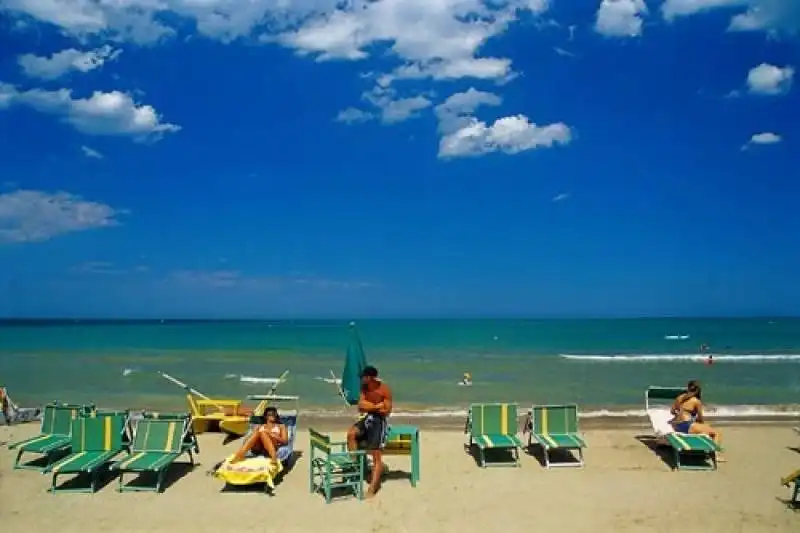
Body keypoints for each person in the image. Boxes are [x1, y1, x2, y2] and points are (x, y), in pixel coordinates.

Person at [347, 366, 392, 499]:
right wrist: (377, 406)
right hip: (367, 418)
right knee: (351, 434)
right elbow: (360, 406)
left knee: (376, 454)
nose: (362, 379)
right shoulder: (364, 389)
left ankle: (373, 488)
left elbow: (387, 410)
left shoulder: (384, 389)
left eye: (363, 377)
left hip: (379, 421)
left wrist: (370, 406)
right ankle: (358, 467)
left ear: (371, 378)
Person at [670, 380, 725, 461]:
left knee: (706, 429)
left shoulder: (679, 397)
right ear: (698, 390)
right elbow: (700, 418)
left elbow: (672, 411)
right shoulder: (696, 401)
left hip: (676, 426)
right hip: (687, 425)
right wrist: (702, 425)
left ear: (688, 388)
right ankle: (715, 455)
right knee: (716, 433)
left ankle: (706, 451)